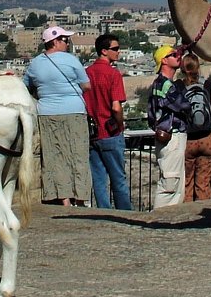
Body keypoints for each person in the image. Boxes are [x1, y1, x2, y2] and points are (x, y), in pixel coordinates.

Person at [23, 27, 92, 206]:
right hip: (74, 111)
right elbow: (86, 86)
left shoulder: (36, 64)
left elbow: (26, 86)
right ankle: (81, 197)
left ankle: (63, 198)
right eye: (64, 40)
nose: (67, 43)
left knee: (54, 156)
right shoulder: (71, 60)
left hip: (47, 112)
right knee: (78, 154)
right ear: (55, 41)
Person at [84, 33, 131, 210]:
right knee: (118, 179)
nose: (119, 52)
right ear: (104, 51)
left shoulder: (86, 73)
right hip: (110, 132)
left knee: (99, 180)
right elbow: (116, 107)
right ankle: (125, 213)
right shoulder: (113, 74)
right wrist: (119, 125)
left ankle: (103, 212)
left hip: (92, 134)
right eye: (115, 49)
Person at [148, 45, 190, 208]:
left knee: (173, 180)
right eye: (173, 55)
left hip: (167, 135)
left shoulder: (159, 84)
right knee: (171, 182)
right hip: (173, 135)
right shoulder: (165, 85)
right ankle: (160, 216)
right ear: (164, 60)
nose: (178, 57)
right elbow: (184, 105)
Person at [179, 52, 211, 202]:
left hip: (188, 139)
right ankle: (205, 215)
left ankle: (187, 216)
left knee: (186, 183)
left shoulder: (178, 86)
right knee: (204, 184)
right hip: (207, 137)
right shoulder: (207, 84)